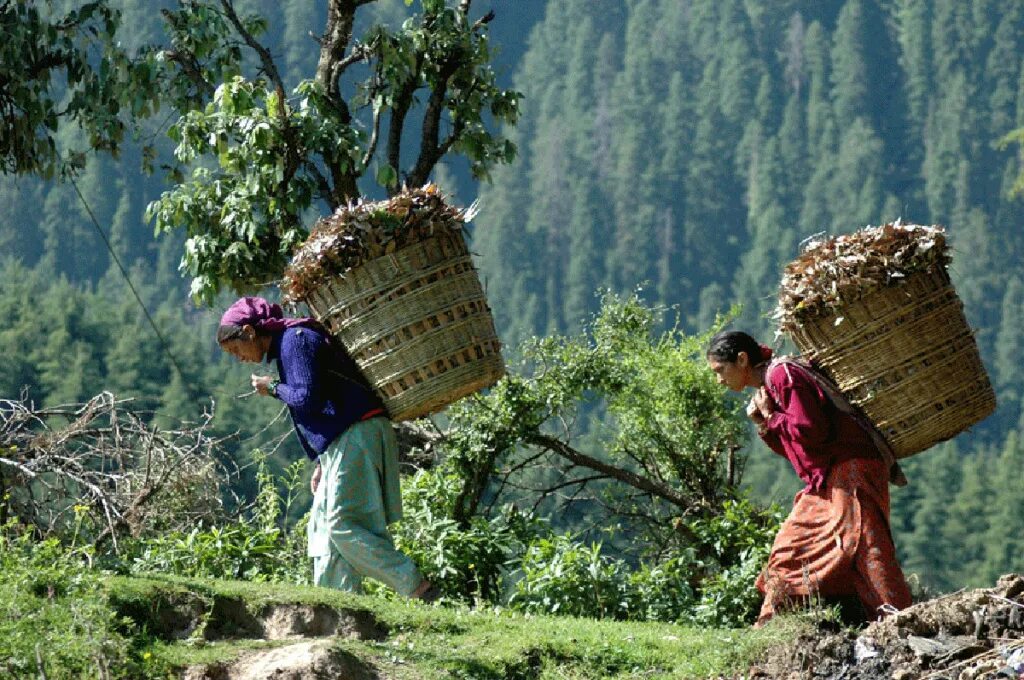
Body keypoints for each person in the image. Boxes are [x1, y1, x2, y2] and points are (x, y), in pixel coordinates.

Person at [217, 296, 438, 601]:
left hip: (358, 432)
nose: (239, 358)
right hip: (345, 439)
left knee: (342, 523)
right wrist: (323, 461)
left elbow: (308, 398)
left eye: (236, 349)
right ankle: (339, 610)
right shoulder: (289, 345)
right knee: (322, 530)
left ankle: (416, 586)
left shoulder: (296, 341)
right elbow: (321, 401)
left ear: (249, 331)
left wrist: (273, 388)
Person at [706, 330, 911, 627]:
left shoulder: (782, 375)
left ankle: (902, 621)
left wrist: (773, 417)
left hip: (851, 468)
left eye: (720, 371)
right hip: (825, 479)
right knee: (789, 548)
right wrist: (764, 423)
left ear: (741, 359)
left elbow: (811, 430)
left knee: (867, 545)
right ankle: (773, 625)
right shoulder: (769, 386)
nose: (719, 380)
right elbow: (796, 449)